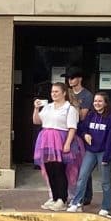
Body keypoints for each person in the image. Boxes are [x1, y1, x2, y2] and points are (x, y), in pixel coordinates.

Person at [32, 81, 83, 211]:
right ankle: (54, 197)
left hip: (60, 139)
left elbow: (72, 128)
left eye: (56, 92)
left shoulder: (69, 109)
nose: (53, 94)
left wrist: (67, 144)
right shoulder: (48, 107)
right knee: (49, 169)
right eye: (52, 92)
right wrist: (36, 109)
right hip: (46, 140)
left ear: (64, 93)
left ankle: (62, 198)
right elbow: (37, 121)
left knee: (59, 169)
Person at [67, 91, 111, 214]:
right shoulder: (90, 115)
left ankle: (106, 207)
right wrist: (85, 134)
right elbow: (81, 128)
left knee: (105, 181)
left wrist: (107, 157)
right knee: (82, 177)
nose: (97, 103)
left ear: (105, 103)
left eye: (100, 101)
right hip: (90, 151)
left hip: (104, 153)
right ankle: (76, 202)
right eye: (95, 101)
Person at [66, 67, 94, 204]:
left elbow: (82, 116)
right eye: (69, 78)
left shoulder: (87, 95)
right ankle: (70, 193)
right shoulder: (66, 93)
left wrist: (72, 109)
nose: (70, 80)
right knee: (69, 164)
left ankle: (86, 195)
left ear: (80, 79)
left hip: (81, 132)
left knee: (83, 164)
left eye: (73, 78)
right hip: (67, 131)